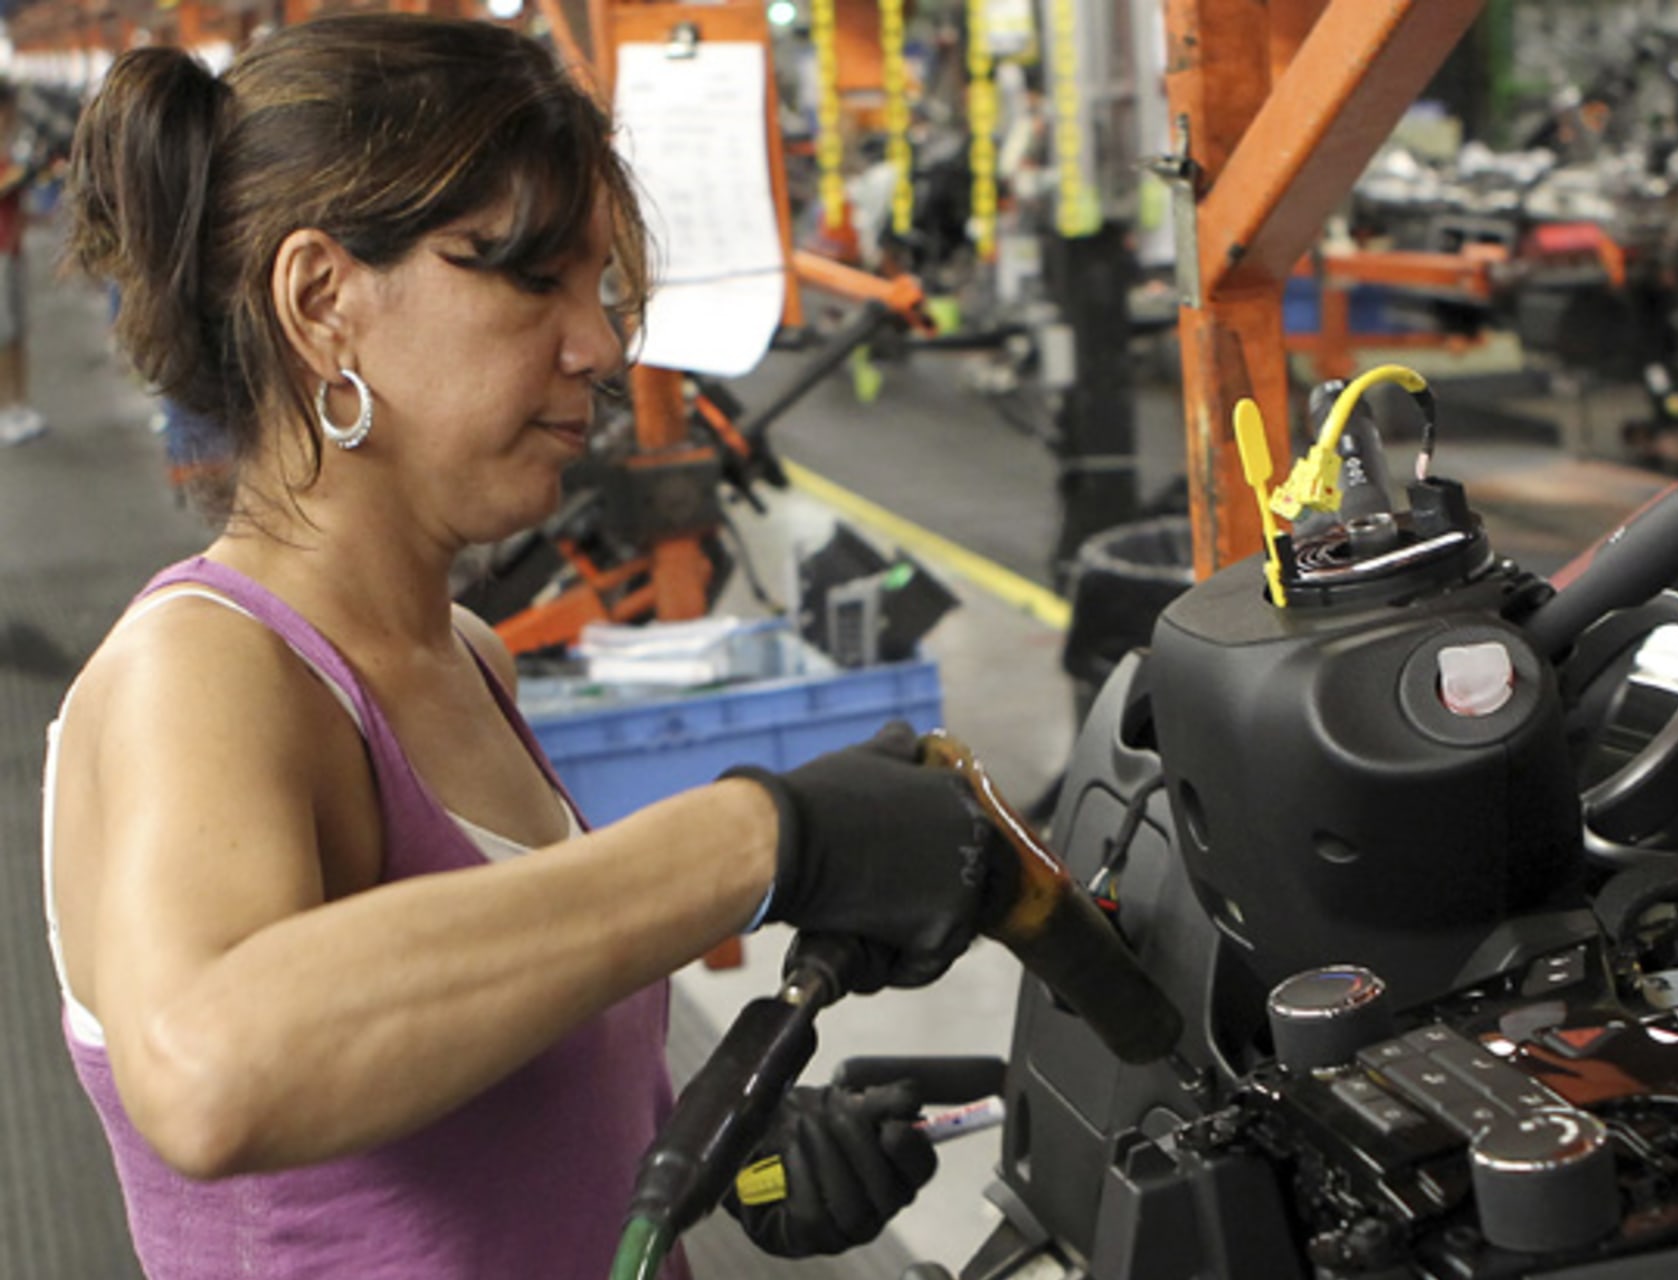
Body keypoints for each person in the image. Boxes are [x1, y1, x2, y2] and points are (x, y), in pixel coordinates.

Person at [48, 16, 1008, 1279]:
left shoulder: (466, 656)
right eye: (529, 277)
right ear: (322, 299)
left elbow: (485, 1090)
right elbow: (212, 1067)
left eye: (595, 288)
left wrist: (742, 1149)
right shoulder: (206, 668)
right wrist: (760, 836)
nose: (600, 346)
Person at [0, 79, 45, 445]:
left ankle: (20, 403)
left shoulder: (8, 146)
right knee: (2, 333)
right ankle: (4, 409)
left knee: (17, 331)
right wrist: (22, 175)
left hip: (11, 248)